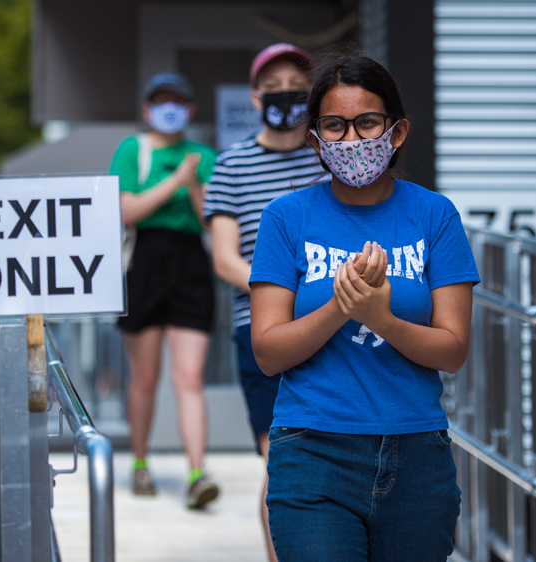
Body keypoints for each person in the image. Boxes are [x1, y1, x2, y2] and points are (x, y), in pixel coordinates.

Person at [248, 47, 480, 561]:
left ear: (396, 132)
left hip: (417, 454)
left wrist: (383, 320)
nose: (352, 139)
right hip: (312, 451)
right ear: (315, 139)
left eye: (367, 122)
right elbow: (268, 352)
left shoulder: (435, 215)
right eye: (334, 125)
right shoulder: (285, 218)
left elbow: (453, 350)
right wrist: (342, 305)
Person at [204, 43, 327, 562]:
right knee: (280, 459)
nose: (285, 96)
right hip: (259, 329)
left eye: (295, 86)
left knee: (327, 454)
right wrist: (280, 290)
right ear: (255, 99)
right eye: (273, 88)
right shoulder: (232, 165)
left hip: (331, 326)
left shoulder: (329, 157)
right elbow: (224, 257)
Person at [109, 71, 221, 509]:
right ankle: (140, 463)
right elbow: (126, 211)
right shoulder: (132, 150)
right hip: (145, 265)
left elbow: (212, 219)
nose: (169, 108)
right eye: (161, 100)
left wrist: (192, 182)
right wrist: (175, 181)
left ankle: (197, 471)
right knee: (146, 377)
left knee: (189, 377)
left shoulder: (205, 156)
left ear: (190, 110)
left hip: (190, 263)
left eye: (178, 100)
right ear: (146, 109)